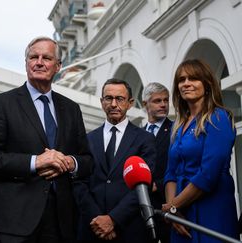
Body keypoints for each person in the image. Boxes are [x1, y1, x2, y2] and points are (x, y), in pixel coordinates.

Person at [0, 36, 93, 243]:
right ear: (26, 63)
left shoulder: (71, 109)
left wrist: (69, 162)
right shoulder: (3, 103)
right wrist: (35, 162)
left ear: (58, 66)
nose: (39, 62)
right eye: (33, 57)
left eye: (46, 58)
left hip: (61, 222)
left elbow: (87, 161)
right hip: (15, 223)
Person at [162, 59, 239, 242]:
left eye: (193, 78)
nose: (186, 83)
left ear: (207, 85)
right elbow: (170, 174)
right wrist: (174, 213)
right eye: (181, 80)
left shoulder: (218, 118)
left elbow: (209, 174)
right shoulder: (177, 126)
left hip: (211, 208)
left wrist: (173, 206)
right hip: (180, 214)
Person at [74, 78, 156, 243]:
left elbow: (143, 186)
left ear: (130, 103)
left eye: (119, 99)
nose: (113, 104)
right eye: (108, 98)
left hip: (129, 229)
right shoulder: (86, 139)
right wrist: (98, 220)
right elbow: (79, 183)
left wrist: (113, 219)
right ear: (101, 101)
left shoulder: (145, 140)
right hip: (92, 229)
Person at [141, 82, 172, 243]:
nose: (163, 105)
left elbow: (180, 168)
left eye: (166, 100)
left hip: (166, 206)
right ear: (145, 104)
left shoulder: (176, 131)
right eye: (157, 101)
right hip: (141, 209)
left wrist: (157, 185)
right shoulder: (136, 134)